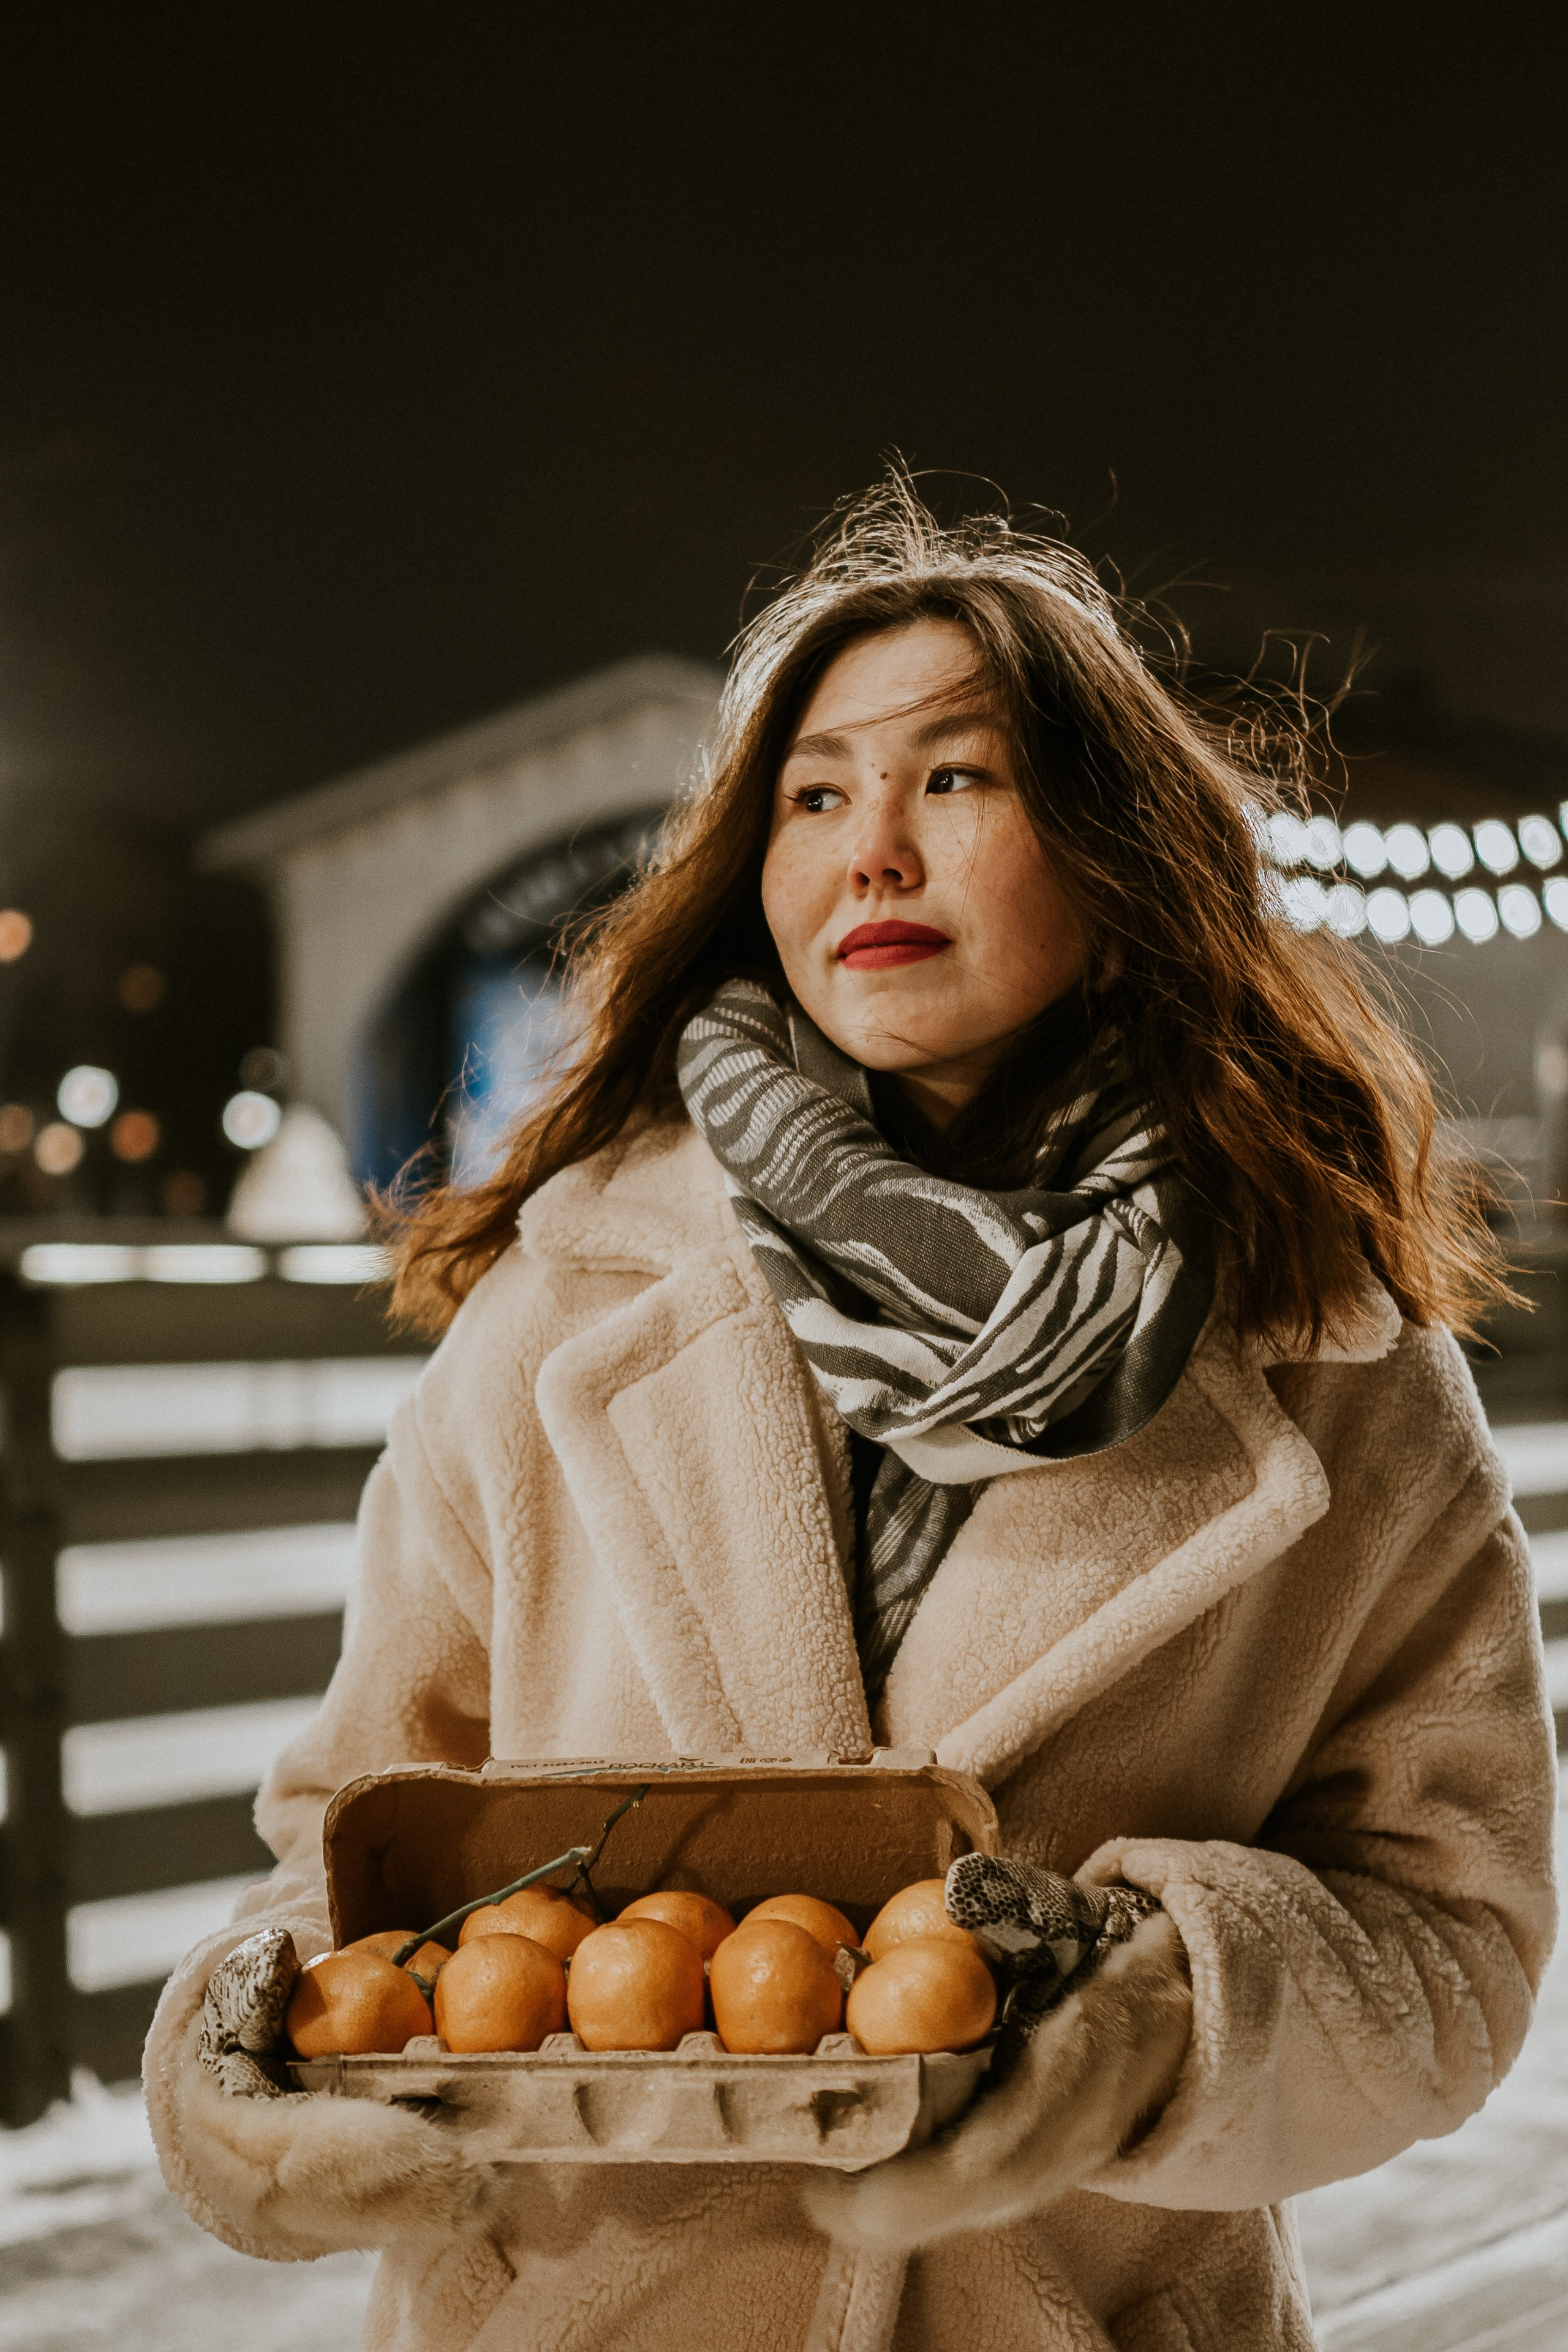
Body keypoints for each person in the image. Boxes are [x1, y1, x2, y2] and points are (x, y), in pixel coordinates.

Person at [146, 477, 1557, 2352]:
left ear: (1124, 858)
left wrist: (1166, 2019)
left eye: (955, 782)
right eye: (816, 795)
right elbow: (345, 1837)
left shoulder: (1335, 1356)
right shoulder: (568, 1303)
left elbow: (1453, 1934)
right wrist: (233, 2051)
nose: (869, 853)